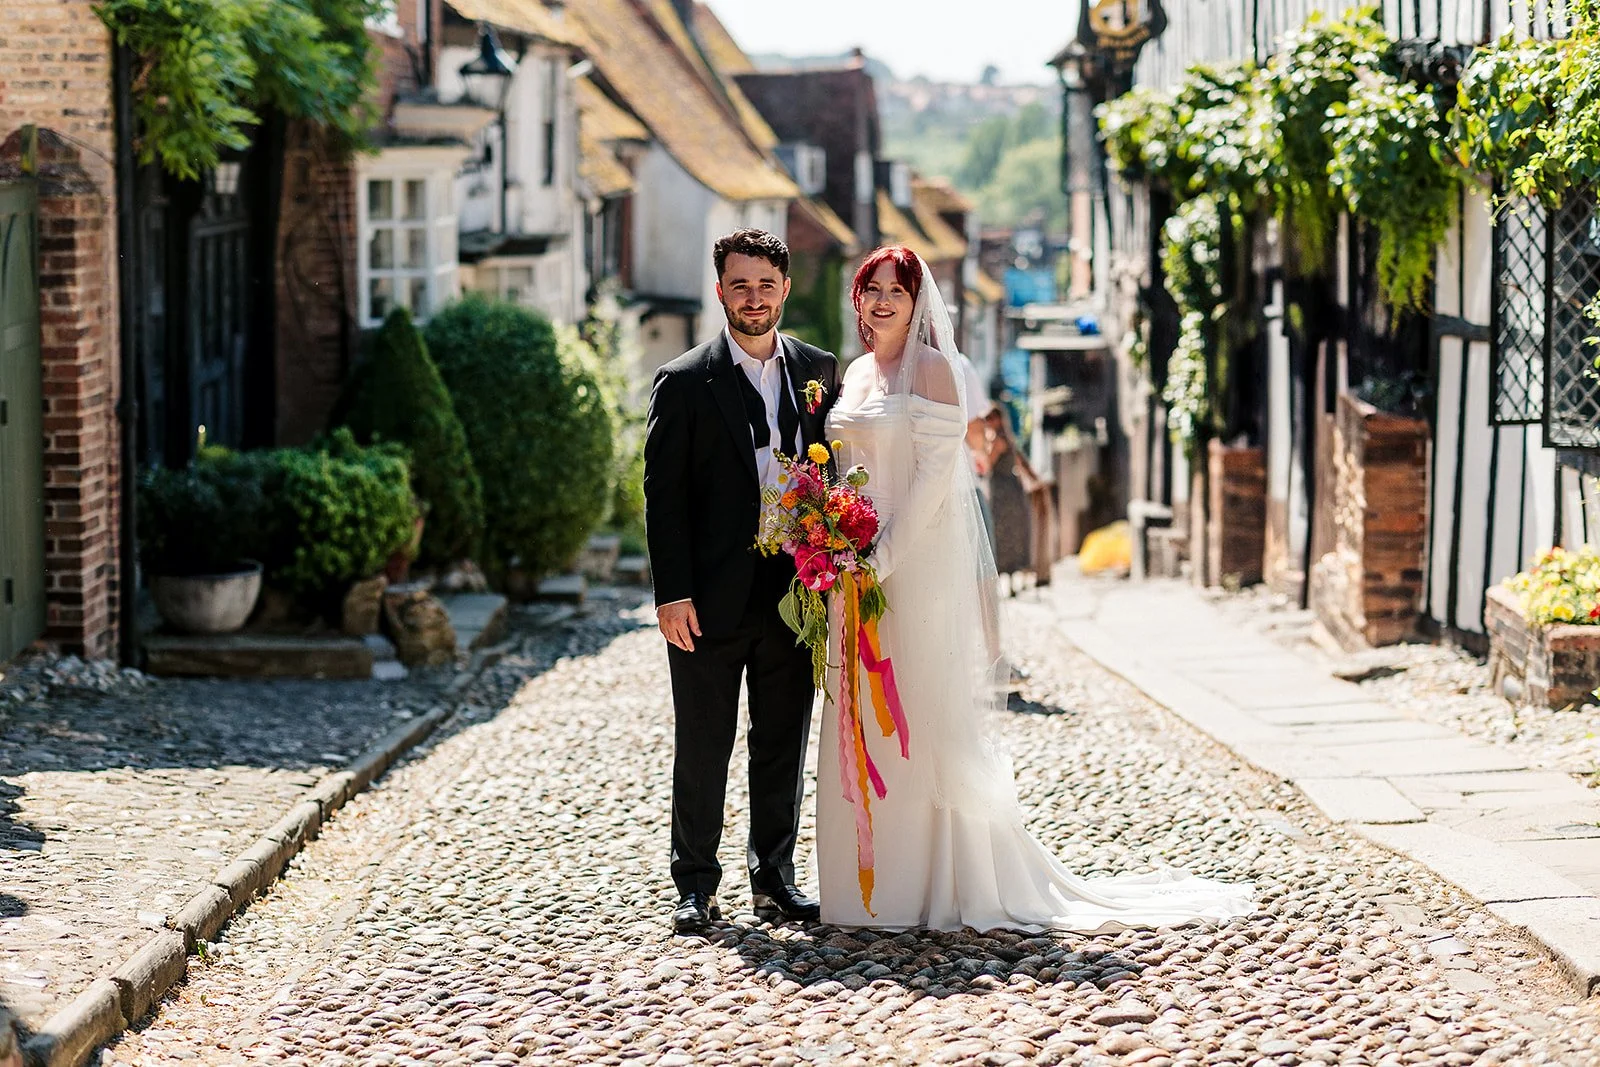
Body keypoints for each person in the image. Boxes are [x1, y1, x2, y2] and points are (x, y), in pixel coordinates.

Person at [818, 246, 1253, 932]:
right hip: (852, 571)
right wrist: (833, 547)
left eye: (895, 290)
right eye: (870, 288)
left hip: (908, 569)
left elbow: (934, 482)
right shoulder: (856, 372)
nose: (881, 301)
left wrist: (880, 560)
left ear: (916, 300)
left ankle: (917, 884)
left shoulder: (934, 371)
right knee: (858, 717)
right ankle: (858, 885)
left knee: (914, 718)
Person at [643, 229, 840, 934]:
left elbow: (837, 473)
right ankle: (694, 883)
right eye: (740, 284)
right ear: (719, 289)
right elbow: (662, 496)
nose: (753, 298)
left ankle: (775, 876)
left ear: (784, 289)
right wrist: (671, 591)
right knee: (703, 740)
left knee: (782, 736)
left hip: (795, 591)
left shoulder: (819, 370)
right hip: (707, 596)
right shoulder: (684, 380)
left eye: (766, 284)